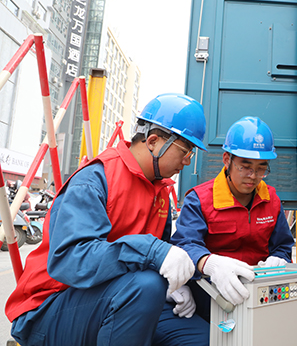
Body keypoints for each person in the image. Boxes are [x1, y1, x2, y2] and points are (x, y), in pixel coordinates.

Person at [5, 93, 209, 346]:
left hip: (122, 297)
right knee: (145, 286)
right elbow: (70, 261)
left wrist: (176, 282)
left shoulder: (161, 192)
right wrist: (151, 252)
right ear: (154, 141)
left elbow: (159, 255)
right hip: (49, 307)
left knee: (203, 338)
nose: (187, 161)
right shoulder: (95, 180)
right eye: (185, 150)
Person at [158, 116, 294, 342]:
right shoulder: (200, 199)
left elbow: (282, 246)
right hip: (209, 298)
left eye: (261, 169)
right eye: (245, 166)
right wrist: (209, 263)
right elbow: (184, 245)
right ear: (226, 160)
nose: (253, 176)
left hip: (257, 296)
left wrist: (279, 259)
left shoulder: (272, 200)